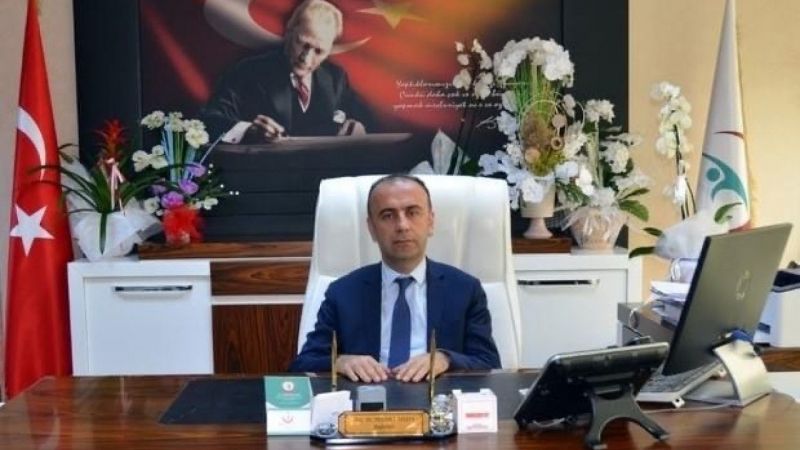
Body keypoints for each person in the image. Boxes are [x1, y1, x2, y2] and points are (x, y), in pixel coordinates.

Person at [289, 174, 501, 383]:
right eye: (388, 215)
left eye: (413, 212)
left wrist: (446, 359)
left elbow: (489, 363)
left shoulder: (465, 289)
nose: (402, 225)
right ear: (372, 229)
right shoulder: (343, 293)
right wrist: (340, 362)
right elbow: (303, 364)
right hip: (367, 399)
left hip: (437, 398)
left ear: (430, 221)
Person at [201, 0, 372, 143]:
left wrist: (358, 128)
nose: (306, 58)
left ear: (329, 50)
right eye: (302, 44)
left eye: (319, 51)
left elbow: (368, 121)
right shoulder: (249, 71)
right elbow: (208, 120)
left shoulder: (336, 78)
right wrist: (249, 130)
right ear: (289, 31)